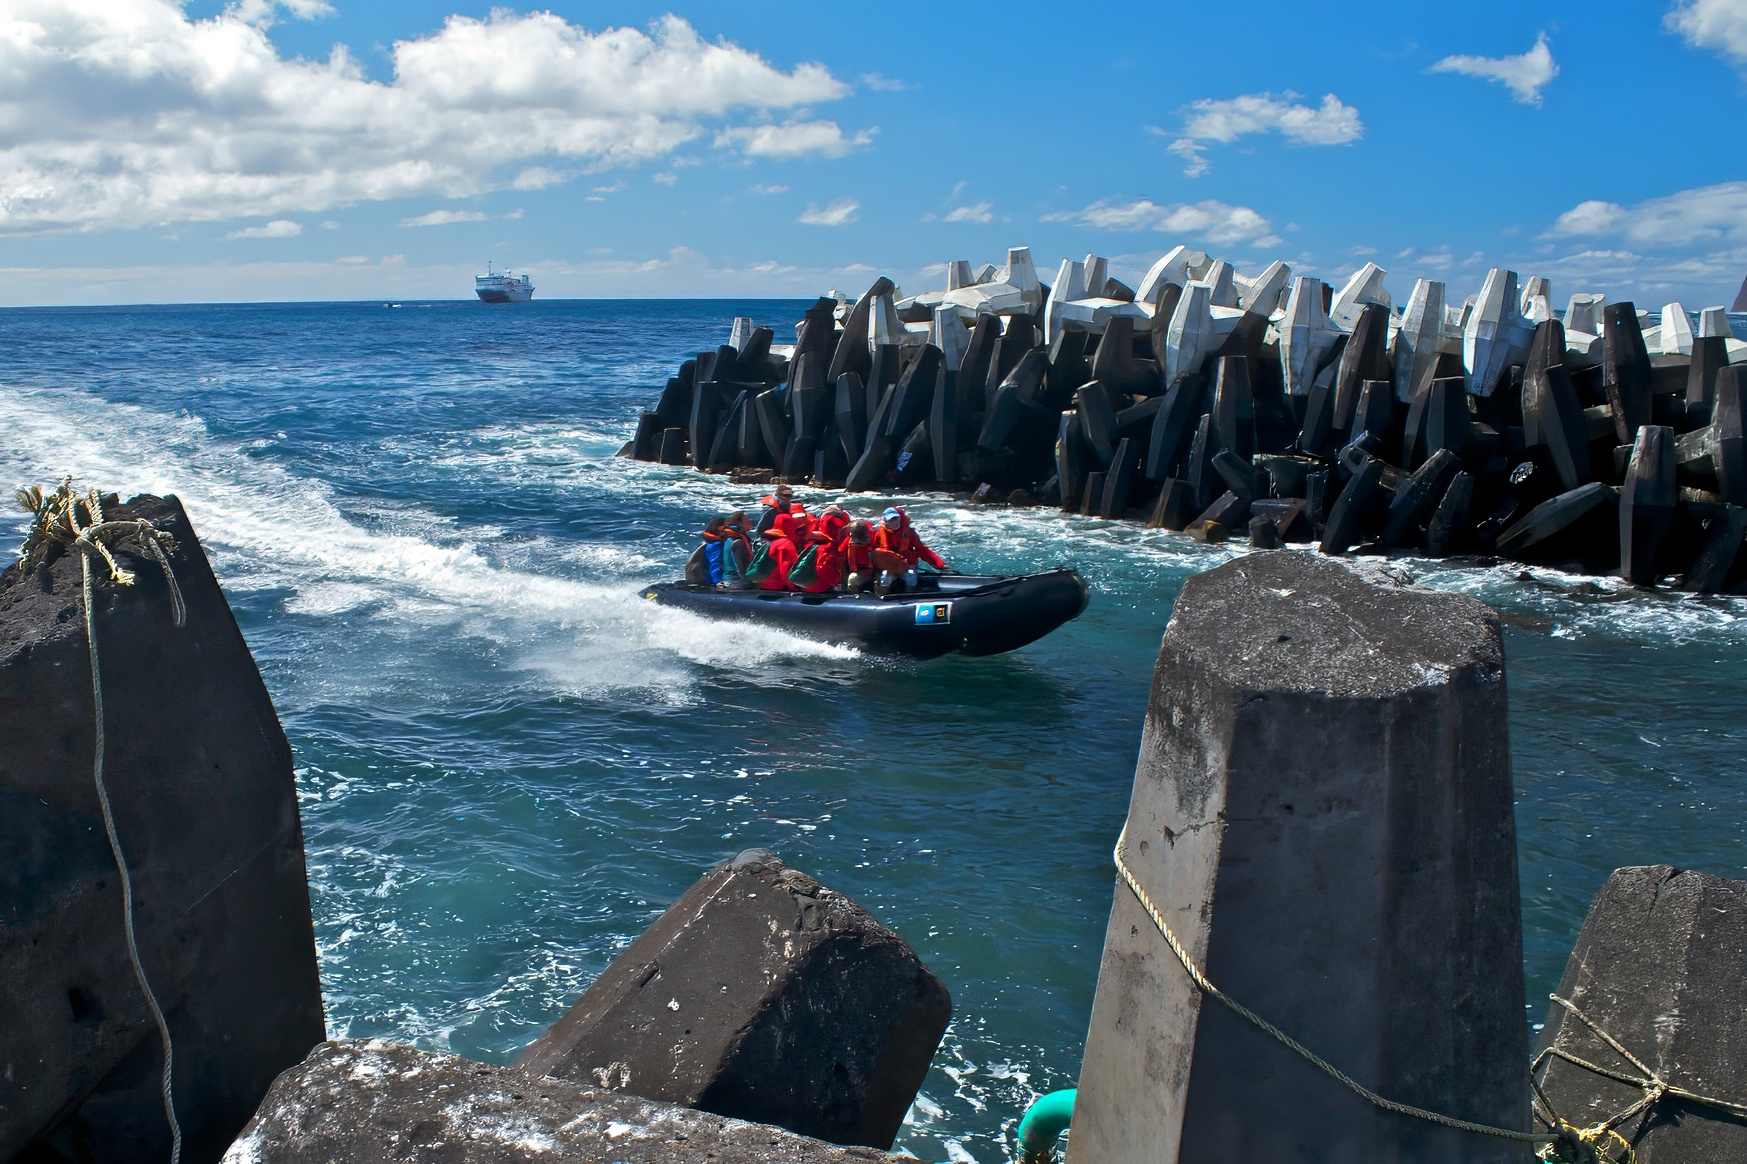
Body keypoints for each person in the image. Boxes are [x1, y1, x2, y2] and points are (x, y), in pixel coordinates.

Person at [870, 506, 947, 592]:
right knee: (884, 578)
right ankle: (883, 596)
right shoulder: (879, 533)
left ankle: (909, 595)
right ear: (885, 521)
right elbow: (873, 551)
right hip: (889, 566)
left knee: (911, 576)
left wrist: (939, 564)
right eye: (891, 520)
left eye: (896, 519)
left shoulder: (910, 533)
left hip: (907, 564)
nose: (895, 522)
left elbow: (922, 550)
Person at [757, 512, 801, 591]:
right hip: (777, 586)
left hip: (764, 584)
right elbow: (784, 569)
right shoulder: (786, 544)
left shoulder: (768, 541)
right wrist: (793, 588)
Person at [839, 520, 875, 592]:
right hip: (856, 572)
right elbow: (840, 554)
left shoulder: (873, 543)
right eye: (857, 542)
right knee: (851, 579)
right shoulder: (848, 543)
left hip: (871, 572)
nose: (859, 544)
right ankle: (852, 593)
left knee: (853, 579)